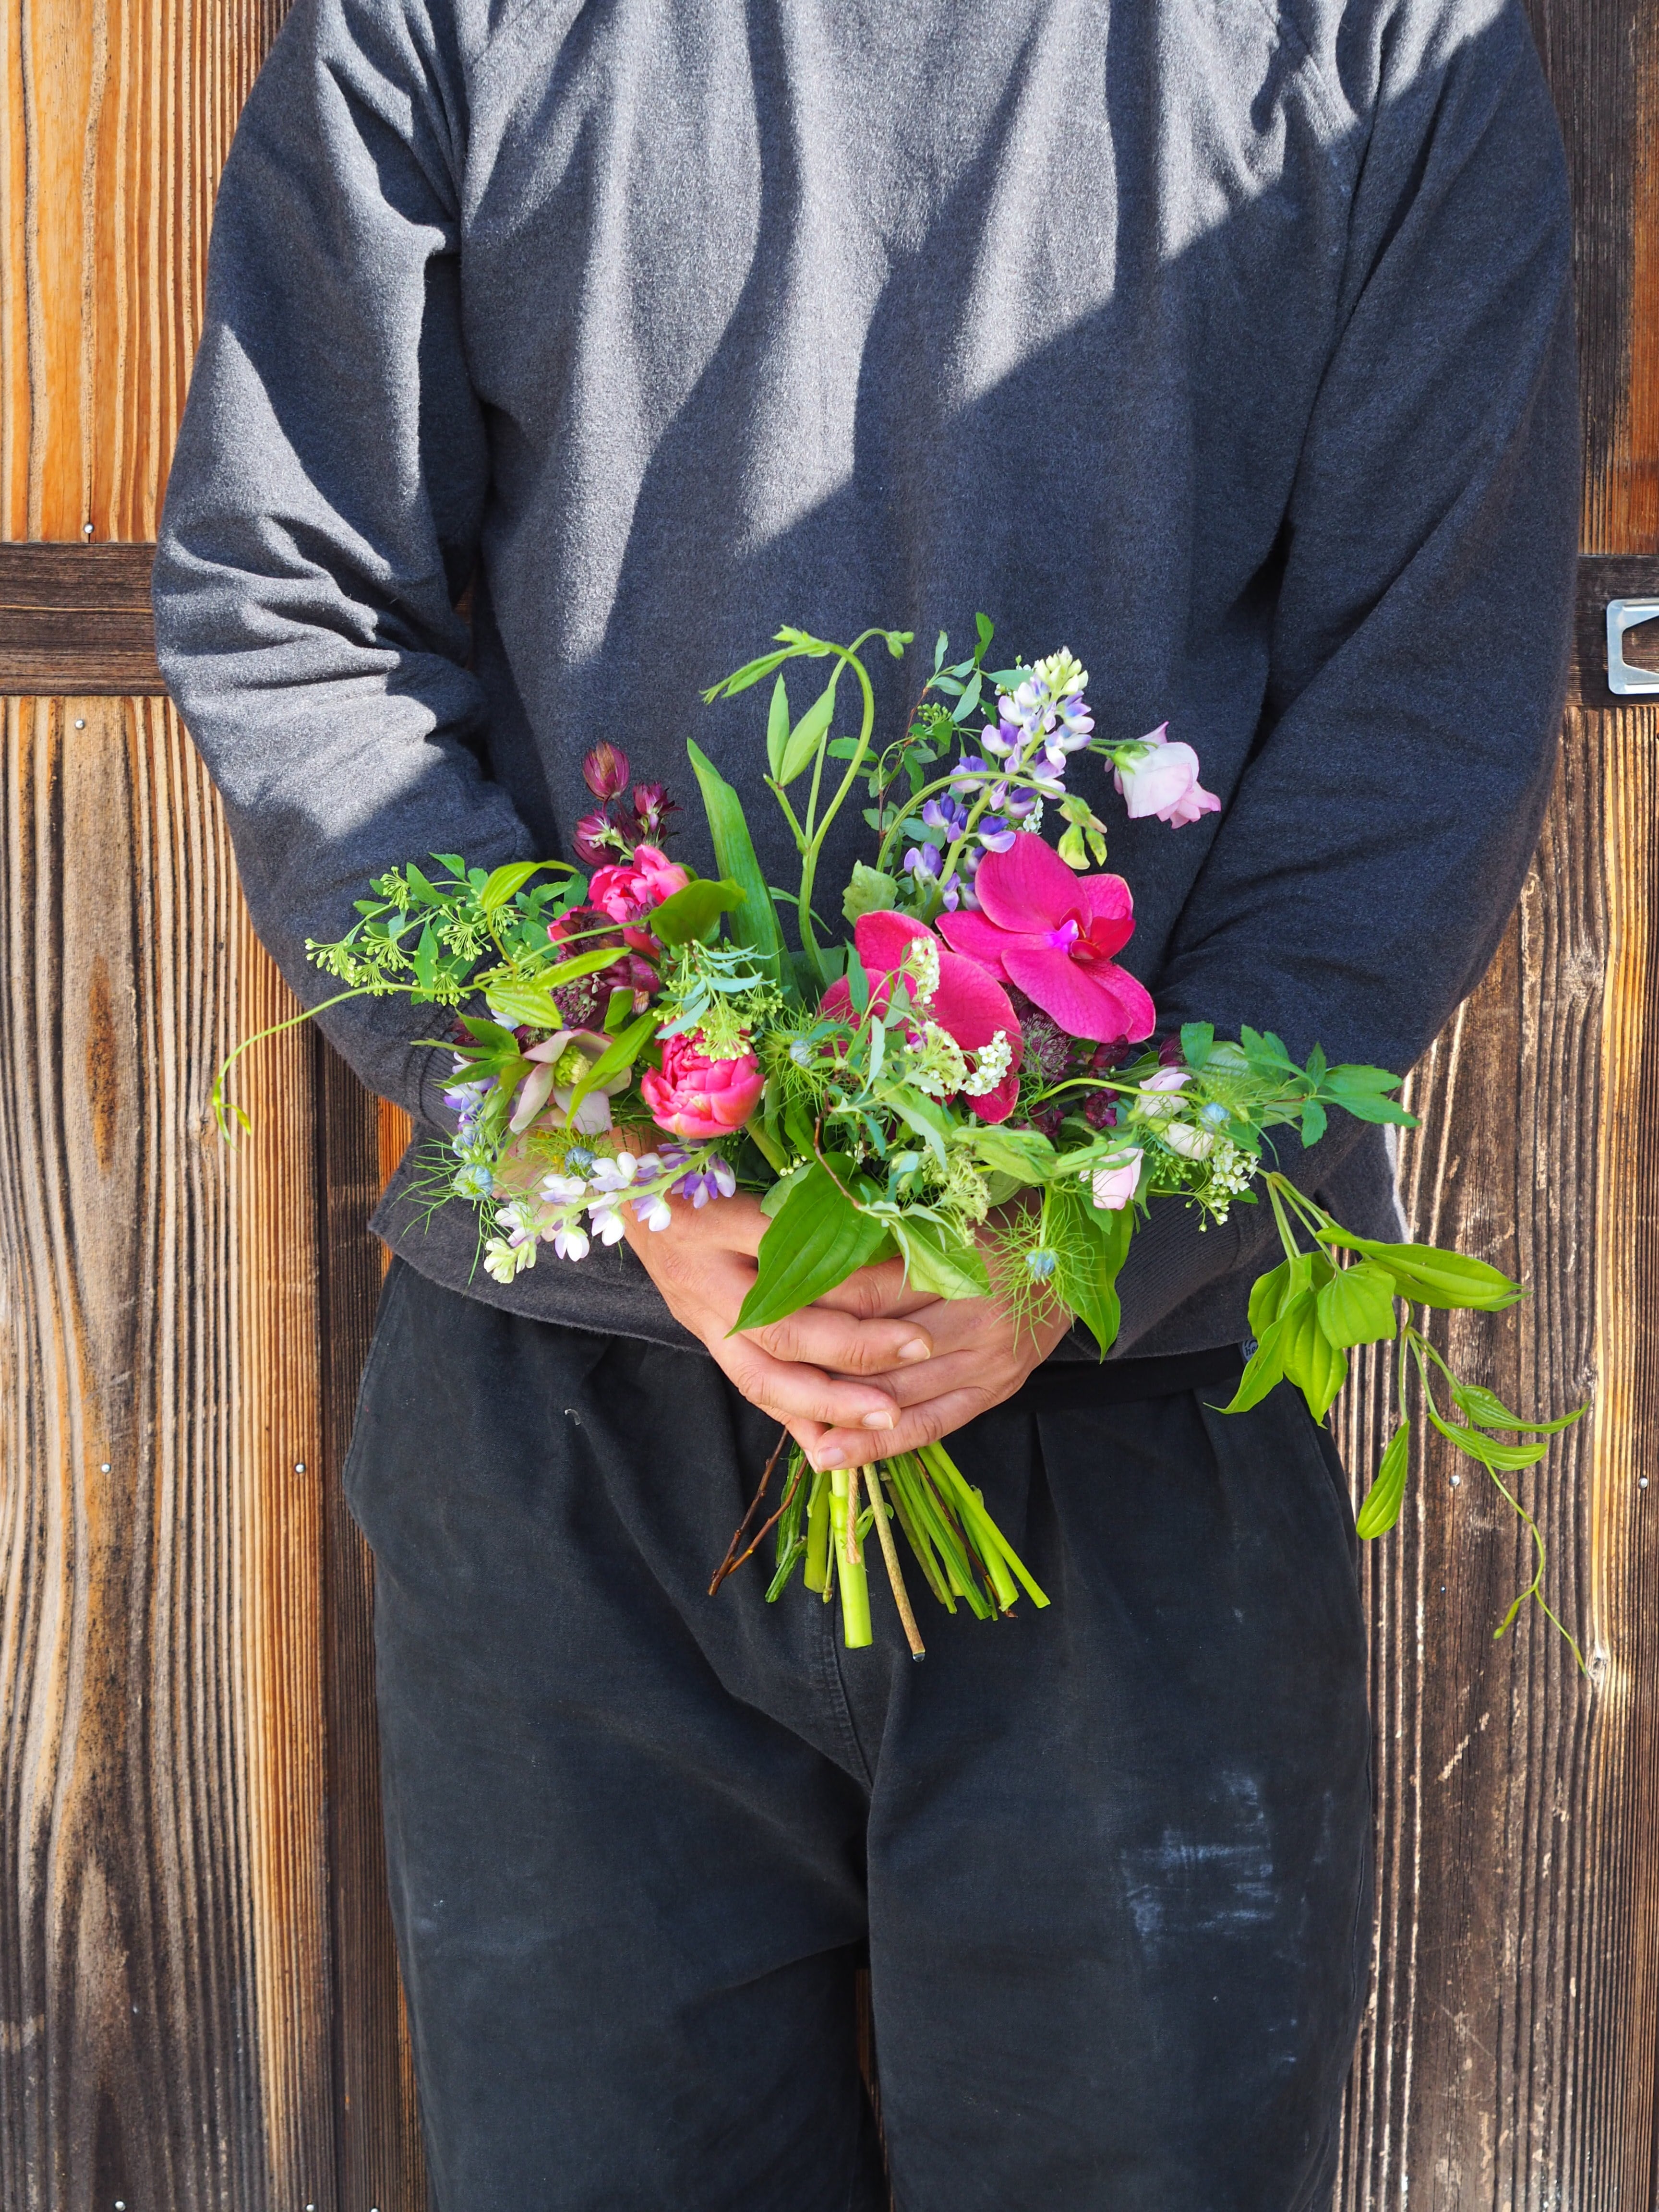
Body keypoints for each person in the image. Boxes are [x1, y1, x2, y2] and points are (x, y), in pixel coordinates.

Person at [153, 2, 1577, 2204]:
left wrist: (1087, 1222)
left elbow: (1425, 706)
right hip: (572, 1427)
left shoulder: (1392, 45)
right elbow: (288, 597)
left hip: (1125, 1396)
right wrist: (604, 1144)